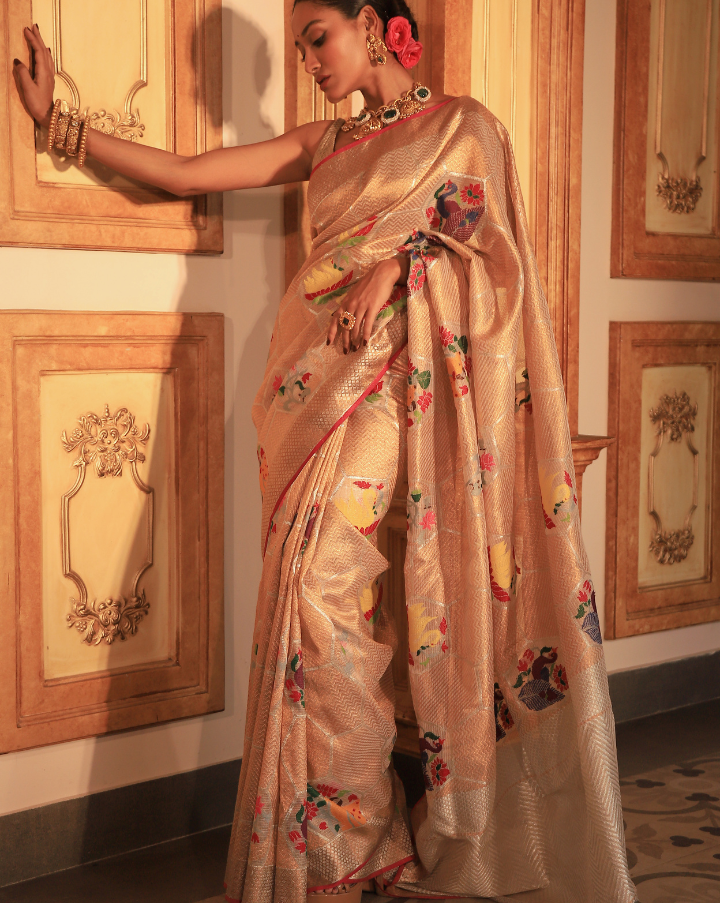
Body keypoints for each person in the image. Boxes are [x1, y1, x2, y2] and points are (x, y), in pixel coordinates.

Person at [14, 3, 639, 902]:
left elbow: (498, 261)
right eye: (301, 43)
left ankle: (366, 823)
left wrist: (400, 265)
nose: (309, 58)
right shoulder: (326, 146)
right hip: (310, 391)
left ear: (376, 25)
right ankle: (352, 837)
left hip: (399, 391)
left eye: (319, 36)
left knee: (321, 588)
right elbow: (192, 172)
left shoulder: (465, 128)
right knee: (306, 598)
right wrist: (58, 124)